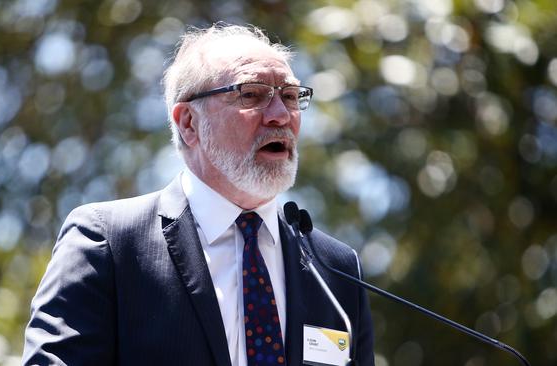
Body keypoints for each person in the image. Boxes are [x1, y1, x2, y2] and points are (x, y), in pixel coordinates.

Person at [23, 23, 374, 366]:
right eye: (252, 94)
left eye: (290, 96)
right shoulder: (109, 243)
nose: (280, 115)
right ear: (189, 123)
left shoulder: (337, 270)